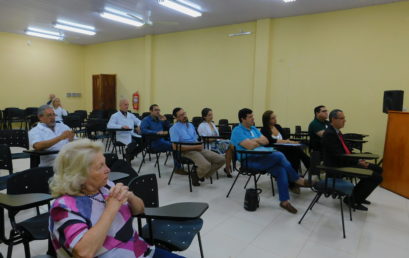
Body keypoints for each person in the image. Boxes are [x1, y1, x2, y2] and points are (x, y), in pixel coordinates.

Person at [49, 139, 183, 258]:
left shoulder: (106, 186)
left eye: (105, 164)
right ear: (79, 175)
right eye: (100, 166)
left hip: (139, 250)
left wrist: (130, 196)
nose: (108, 170)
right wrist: (112, 208)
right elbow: (84, 253)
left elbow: (140, 210)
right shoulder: (63, 207)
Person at [230, 108, 311, 214]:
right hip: (249, 160)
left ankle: (284, 202)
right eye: (250, 117)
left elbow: (266, 140)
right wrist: (257, 142)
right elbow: (250, 147)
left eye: (252, 116)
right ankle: (297, 179)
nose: (253, 118)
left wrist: (253, 141)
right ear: (242, 119)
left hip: (262, 157)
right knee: (279, 155)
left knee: (281, 169)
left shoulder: (254, 129)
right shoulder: (237, 131)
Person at [321, 109, 383, 211]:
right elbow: (338, 156)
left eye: (344, 118)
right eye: (342, 118)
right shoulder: (329, 134)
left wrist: (359, 159)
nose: (344, 121)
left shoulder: (337, 132)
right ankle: (352, 200)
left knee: (378, 170)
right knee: (376, 177)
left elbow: (346, 151)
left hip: (346, 161)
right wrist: (357, 161)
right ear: (333, 119)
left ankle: (358, 196)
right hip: (337, 165)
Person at [169, 107, 225, 186]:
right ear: (176, 117)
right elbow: (175, 147)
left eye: (184, 113)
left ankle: (198, 174)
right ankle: (199, 174)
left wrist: (199, 143)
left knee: (221, 160)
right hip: (186, 151)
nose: (184, 116)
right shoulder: (174, 129)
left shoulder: (191, 125)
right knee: (206, 165)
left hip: (198, 148)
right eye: (181, 115)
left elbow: (196, 139)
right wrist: (194, 147)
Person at [141, 104, 185, 175]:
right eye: (156, 110)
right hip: (153, 142)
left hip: (163, 139)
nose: (158, 112)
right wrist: (156, 132)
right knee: (175, 146)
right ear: (151, 111)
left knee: (178, 144)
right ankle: (178, 168)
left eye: (159, 110)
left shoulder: (160, 119)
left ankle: (181, 164)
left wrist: (165, 121)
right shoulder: (146, 120)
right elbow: (143, 130)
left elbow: (169, 127)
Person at [197, 108, 233, 177]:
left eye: (212, 115)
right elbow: (205, 139)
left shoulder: (212, 124)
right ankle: (228, 168)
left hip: (216, 142)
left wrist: (219, 139)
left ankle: (227, 167)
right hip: (208, 145)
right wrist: (217, 138)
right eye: (209, 115)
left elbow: (217, 136)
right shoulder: (201, 126)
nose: (211, 116)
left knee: (231, 143)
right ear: (204, 116)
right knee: (229, 146)